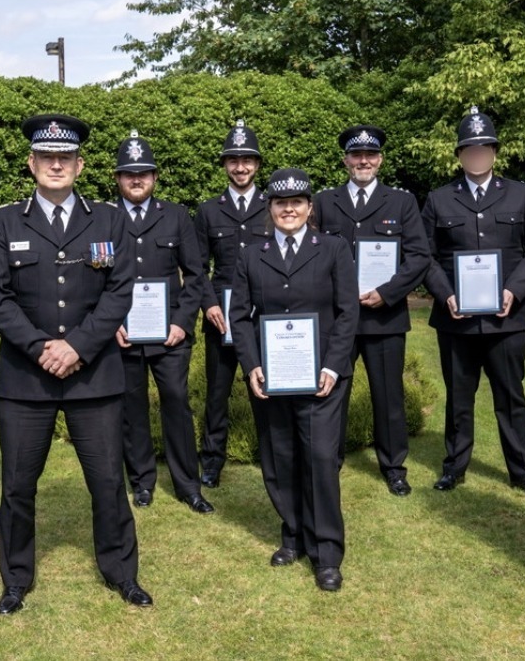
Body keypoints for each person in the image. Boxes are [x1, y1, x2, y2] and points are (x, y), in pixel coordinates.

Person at [0, 114, 152, 615]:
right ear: (32, 163)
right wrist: (41, 348)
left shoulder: (108, 220)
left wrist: (77, 346)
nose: (56, 165)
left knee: (106, 482)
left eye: (65, 158)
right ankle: (15, 579)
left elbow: (121, 291)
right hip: (24, 379)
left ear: (79, 165)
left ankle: (122, 573)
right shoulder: (5, 221)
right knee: (17, 485)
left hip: (94, 375)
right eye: (47, 158)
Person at [229, 168, 359, 592]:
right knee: (279, 458)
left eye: (297, 202)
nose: (289, 209)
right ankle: (293, 536)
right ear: (270, 209)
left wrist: (333, 366)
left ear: (309, 208)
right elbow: (240, 316)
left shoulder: (334, 249)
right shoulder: (252, 253)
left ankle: (326, 553)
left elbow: (346, 313)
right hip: (273, 378)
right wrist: (251, 366)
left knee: (320, 458)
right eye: (281, 203)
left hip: (320, 377)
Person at [421, 107, 525, 498]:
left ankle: (523, 472)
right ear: (460, 156)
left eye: (484, 148)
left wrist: (514, 289)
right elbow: (423, 256)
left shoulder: (520, 193)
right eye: (469, 149)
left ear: (494, 152)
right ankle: (454, 468)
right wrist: (445, 294)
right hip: (456, 321)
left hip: (506, 320)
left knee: (511, 398)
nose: (477, 155)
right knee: (459, 398)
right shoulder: (439, 199)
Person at [314, 125, 430, 494]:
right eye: (356, 155)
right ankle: (327, 461)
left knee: (388, 395)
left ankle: (393, 465)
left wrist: (387, 292)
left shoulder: (401, 202)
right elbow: (314, 255)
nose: (363, 161)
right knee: (331, 392)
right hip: (338, 318)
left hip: (384, 316)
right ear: (345, 160)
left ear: (380, 159)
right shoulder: (323, 201)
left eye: (370, 155)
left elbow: (418, 257)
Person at [112, 131, 212, 513]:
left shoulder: (176, 216)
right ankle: (142, 482)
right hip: (123, 334)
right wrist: (109, 325)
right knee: (131, 409)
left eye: (144, 173)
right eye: (128, 174)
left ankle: (189, 485)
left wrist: (183, 323)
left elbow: (196, 274)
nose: (136, 180)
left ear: (155, 177)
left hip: (169, 334)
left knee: (176, 405)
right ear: (118, 178)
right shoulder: (104, 218)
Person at [195, 120, 271, 488]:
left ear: (257, 165)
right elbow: (196, 267)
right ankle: (212, 461)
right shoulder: (209, 211)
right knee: (217, 395)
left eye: (247, 160)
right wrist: (208, 305)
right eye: (233, 160)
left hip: (262, 318)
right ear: (225, 164)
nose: (240, 167)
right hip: (221, 318)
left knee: (266, 389)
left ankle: (272, 454)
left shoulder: (273, 207)